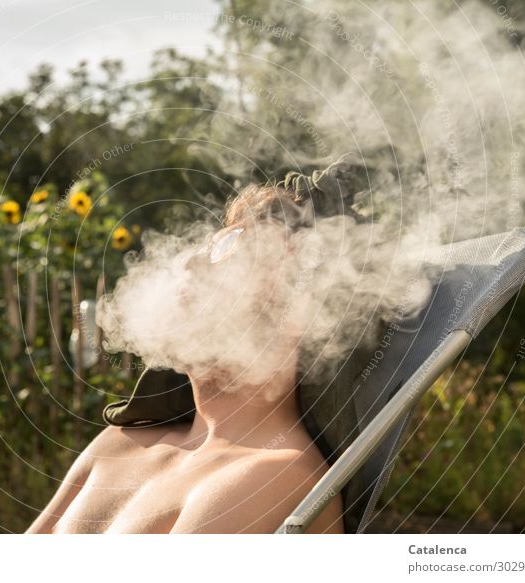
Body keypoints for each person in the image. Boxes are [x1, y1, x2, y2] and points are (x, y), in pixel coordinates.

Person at [26, 158, 366, 534]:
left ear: (302, 308)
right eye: (213, 244)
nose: (191, 264)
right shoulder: (118, 443)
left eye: (232, 249)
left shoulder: (271, 475)